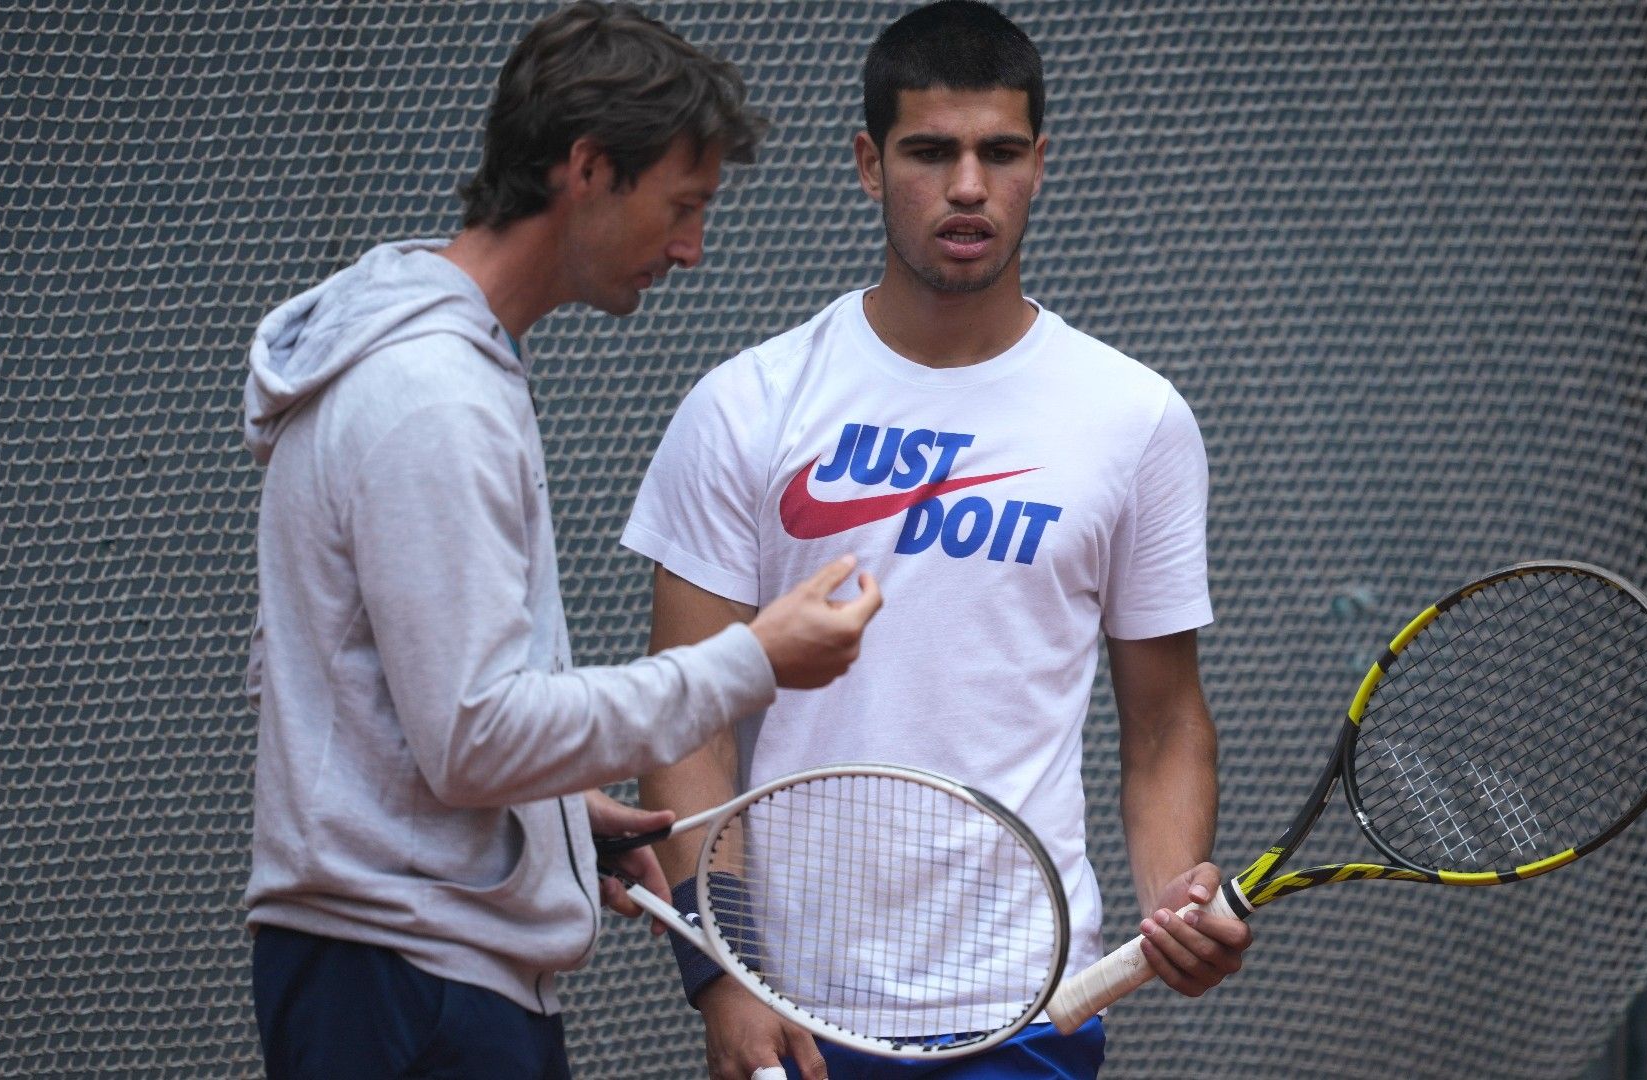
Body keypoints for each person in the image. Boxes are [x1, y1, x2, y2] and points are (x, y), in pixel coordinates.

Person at [238, 4, 881, 1077]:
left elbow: (411, 713)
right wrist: (752, 661)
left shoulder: (435, 369)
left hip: (412, 968)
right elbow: (474, 735)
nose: (691, 248)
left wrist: (552, 816)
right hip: (410, 986)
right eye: (683, 206)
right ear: (586, 168)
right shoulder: (430, 396)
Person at [622, 3, 1252, 1077]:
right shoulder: (746, 406)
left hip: (1027, 1007)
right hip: (794, 1009)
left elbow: (1163, 724)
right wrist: (723, 976)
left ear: (1041, 164)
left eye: (1000, 153)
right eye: (931, 152)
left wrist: (1174, 897)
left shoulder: (1136, 419)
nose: (968, 187)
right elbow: (688, 717)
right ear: (869, 165)